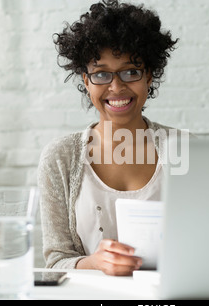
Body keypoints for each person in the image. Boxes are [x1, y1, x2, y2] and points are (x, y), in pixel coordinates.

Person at [37, 0, 179, 276]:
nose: (116, 87)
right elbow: (56, 262)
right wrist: (95, 263)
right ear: (86, 80)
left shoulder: (188, 150)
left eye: (131, 71)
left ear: (149, 76)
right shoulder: (60, 158)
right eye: (101, 74)